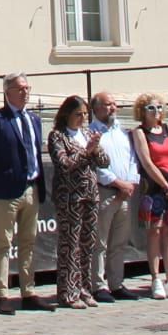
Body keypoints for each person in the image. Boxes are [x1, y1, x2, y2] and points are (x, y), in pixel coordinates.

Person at [0, 72, 53, 313]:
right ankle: (2, 293)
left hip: (31, 187)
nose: (25, 92)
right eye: (19, 88)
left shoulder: (33, 119)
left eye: (27, 88)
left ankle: (28, 290)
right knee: (3, 243)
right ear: (7, 91)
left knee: (28, 242)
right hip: (6, 191)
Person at [45, 95, 108, 307]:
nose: (81, 118)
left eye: (84, 114)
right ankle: (68, 292)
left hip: (90, 195)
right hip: (70, 197)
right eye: (77, 114)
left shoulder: (87, 134)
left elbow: (104, 161)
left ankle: (84, 288)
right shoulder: (57, 136)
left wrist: (96, 148)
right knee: (70, 244)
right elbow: (64, 164)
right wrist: (85, 151)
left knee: (87, 243)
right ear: (66, 115)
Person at [86, 91, 142, 301]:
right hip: (106, 192)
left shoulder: (121, 132)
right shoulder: (91, 132)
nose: (113, 108)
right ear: (97, 108)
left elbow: (132, 159)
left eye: (114, 104)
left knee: (119, 242)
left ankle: (117, 283)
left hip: (125, 193)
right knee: (100, 242)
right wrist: (117, 183)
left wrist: (130, 182)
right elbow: (95, 165)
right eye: (108, 104)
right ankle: (98, 285)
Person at [129, 92, 168, 299]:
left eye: (159, 107)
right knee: (155, 231)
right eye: (152, 108)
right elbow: (147, 162)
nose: (156, 111)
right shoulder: (140, 132)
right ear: (143, 111)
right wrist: (164, 185)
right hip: (152, 188)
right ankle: (156, 279)